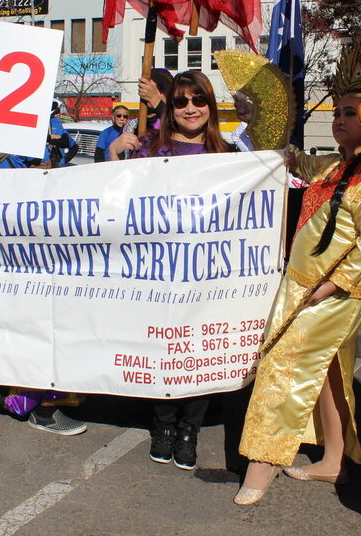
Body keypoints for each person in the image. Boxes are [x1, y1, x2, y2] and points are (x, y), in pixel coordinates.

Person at [232, 90, 361, 505]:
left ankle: (262, 462)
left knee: (283, 363)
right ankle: (334, 459)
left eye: (348, 113)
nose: (338, 119)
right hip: (306, 283)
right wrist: (256, 119)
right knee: (327, 373)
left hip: (334, 291)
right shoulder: (333, 164)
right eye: (336, 112)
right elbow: (289, 158)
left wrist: (333, 285)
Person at [110, 70, 231, 470]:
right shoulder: (148, 149)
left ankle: (188, 429)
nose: (190, 108)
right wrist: (114, 158)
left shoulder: (229, 155)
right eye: (180, 101)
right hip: (158, 272)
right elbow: (114, 203)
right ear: (171, 107)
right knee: (163, 348)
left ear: (209, 106)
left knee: (198, 352)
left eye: (198, 100)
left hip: (207, 274)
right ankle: (162, 424)